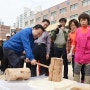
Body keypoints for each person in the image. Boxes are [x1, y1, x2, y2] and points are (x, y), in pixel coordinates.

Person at [68, 13, 90, 84]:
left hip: (88, 55)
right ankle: (76, 85)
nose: (83, 22)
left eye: (84, 20)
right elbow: (74, 42)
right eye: (81, 20)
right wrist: (71, 52)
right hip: (78, 54)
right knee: (76, 71)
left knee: (88, 72)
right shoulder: (77, 30)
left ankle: (86, 86)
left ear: (88, 21)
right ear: (79, 21)